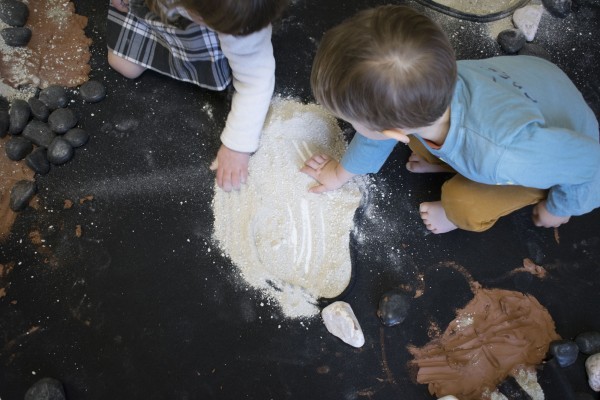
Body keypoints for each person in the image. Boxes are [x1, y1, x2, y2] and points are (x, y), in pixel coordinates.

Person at [301, 5, 600, 234]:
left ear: (393, 131)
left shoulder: (505, 154)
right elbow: (377, 133)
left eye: (354, 123)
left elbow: (591, 162)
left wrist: (560, 208)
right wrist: (340, 174)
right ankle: (444, 160)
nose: (357, 129)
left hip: (559, 146)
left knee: (463, 204)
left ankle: (454, 211)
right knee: (415, 140)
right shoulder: (424, 82)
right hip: (535, 84)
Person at [106, 0, 287, 191]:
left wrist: (237, 146)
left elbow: (256, 81)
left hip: (199, 32)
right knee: (123, 66)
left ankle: (192, 45)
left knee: (127, 66)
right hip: (159, 10)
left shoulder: (240, 23)